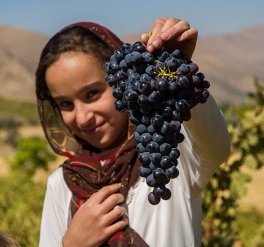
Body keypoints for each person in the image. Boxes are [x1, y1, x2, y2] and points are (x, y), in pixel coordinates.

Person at [36, 17, 231, 247]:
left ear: (124, 80)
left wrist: (177, 75)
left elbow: (216, 146)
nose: (82, 117)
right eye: (65, 104)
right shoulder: (61, 184)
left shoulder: (171, 158)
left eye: (92, 94)